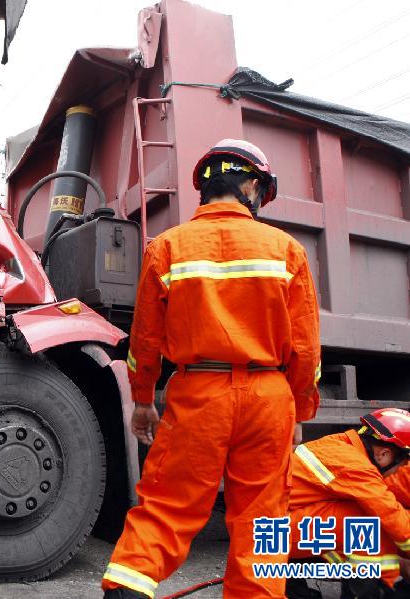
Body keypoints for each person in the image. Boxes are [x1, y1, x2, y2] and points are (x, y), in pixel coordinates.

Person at [102, 140, 322, 598]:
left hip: (198, 394)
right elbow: (305, 348)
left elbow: (144, 341)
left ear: (206, 186)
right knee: (264, 522)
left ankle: (126, 586)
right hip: (269, 397)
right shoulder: (286, 251)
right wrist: (300, 412)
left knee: (167, 507)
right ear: (250, 184)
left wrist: (143, 400)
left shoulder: (167, 248)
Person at [284, 409, 410, 599]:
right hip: (269, 534)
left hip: (272, 527)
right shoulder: (355, 466)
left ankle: (288, 585)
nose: (395, 475)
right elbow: (390, 514)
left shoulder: (342, 445)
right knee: (366, 521)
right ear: (384, 454)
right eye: (400, 468)